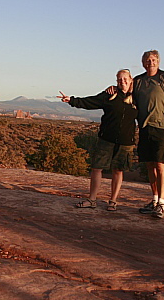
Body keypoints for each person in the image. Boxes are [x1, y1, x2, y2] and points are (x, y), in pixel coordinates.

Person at [108, 50, 164, 218]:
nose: (150, 63)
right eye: (147, 60)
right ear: (142, 63)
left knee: (161, 165)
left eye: (153, 60)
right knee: (149, 165)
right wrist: (112, 88)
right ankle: (154, 200)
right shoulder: (139, 81)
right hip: (145, 127)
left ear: (158, 61)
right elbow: (125, 89)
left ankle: (161, 203)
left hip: (163, 127)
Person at [57, 69, 138, 211]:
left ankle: (113, 201)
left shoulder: (138, 97)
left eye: (125, 79)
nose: (122, 81)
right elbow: (91, 102)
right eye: (119, 79)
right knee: (97, 168)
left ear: (131, 79)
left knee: (118, 171)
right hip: (106, 138)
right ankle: (92, 199)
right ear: (116, 81)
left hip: (125, 142)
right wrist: (72, 100)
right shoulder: (110, 94)